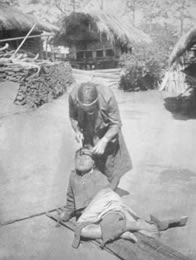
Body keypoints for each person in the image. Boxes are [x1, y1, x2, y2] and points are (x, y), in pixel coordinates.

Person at [59, 147, 159, 248]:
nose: (81, 161)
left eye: (86, 158)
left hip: (105, 211)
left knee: (107, 215)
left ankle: (135, 225)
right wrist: (67, 212)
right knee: (84, 231)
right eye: (78, 158)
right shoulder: (73, 176)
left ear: (93, 163)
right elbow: (71, 199)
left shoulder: (98, 176)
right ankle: (122, 232)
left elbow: (108, 197)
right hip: (90, 216)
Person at [69, 82, 132, 190]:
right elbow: (73, 117)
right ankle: (91, 195)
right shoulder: (73, 96)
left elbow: (116, 124)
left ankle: (109, 195)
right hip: (88, 133)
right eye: (84, 109)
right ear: (79, 102)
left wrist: (105, 140)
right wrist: (77, 131)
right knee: (89, 165)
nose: (88, 111)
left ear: (96, 101)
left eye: (91, 108)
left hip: (107, 133)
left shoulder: (107, 96)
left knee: (109, 168)